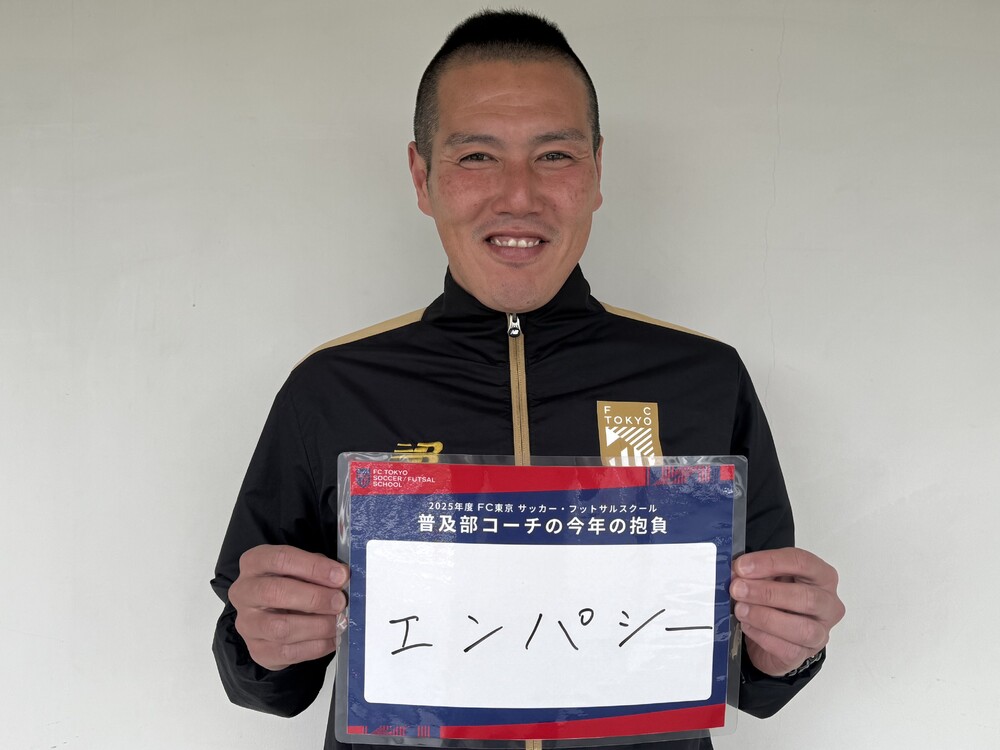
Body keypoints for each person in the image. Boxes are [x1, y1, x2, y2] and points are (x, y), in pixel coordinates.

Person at [211, 10, 845, 750]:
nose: (519, 196)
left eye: (555, 155)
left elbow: (751, 670)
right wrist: (262, 644)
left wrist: (787, 646)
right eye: (477, 155)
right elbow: (265, 679)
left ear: (597, 172)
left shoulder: (705, 379)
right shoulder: (331, 389)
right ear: (422, 176)